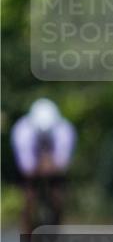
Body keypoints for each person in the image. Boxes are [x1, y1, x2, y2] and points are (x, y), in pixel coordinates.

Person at [11, 98, 76, 234]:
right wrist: (36, 169)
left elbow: (62, 162)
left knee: (58, 197)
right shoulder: (22, 131)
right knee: (29, 197)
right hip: (32, 161)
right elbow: (26, 166)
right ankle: (27, 229)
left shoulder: (64, 130)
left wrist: (52, 167)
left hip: (52, 162)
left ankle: (56, 227)